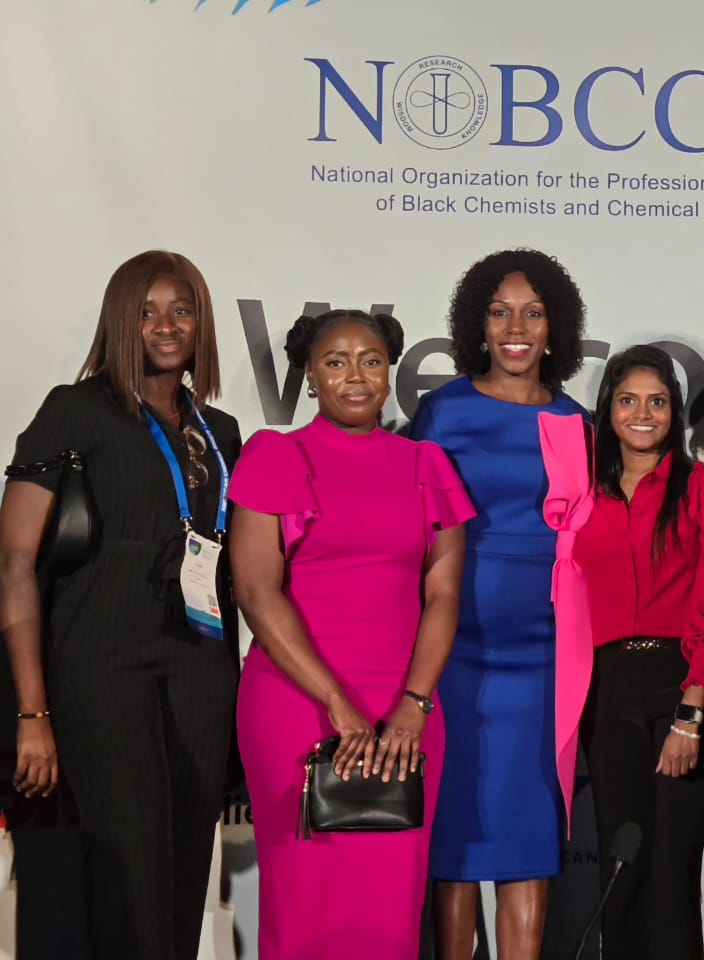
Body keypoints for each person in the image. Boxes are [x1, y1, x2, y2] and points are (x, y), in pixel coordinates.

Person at [0, 250, 241, 959]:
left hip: (201, 661)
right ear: (120, 322)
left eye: (182, 309)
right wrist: (33, 711)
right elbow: (14, 563)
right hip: (100, 658)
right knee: (128, 865)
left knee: (185, 861)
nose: (166, 326)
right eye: (146, 311)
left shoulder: (217, 433)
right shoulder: (73, 411)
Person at [228, 309, 472, 959]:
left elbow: (444, 594)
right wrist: (336, 703)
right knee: (303, 900)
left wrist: (414, 706)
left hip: (405, 707)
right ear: (309, 376)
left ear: (390, 372)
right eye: (335, 362)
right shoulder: (276, 455)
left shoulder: (426, 464)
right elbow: (255, 590)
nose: (355, 376)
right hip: (296, 701)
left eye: (370, 360)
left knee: (390, 911)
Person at [409, 249, 590, 960]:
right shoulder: (442, 411)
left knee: (529, 833)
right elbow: (409, 530)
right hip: (454, 653)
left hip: (547, 657)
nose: (516, 327)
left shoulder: (577, 422)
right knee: (457, 833)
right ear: (476, 324)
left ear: (557, 328)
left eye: (533, 313)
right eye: (499, 311)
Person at [575, 345, 704, 959]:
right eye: (628, 400)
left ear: (675, 413)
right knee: (622, 867)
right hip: (606, 690)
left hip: (685, 685)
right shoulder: (581, 497)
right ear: (608, 410)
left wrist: (692, 708)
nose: (642, 414)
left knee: (672, 876)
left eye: (657, 402)